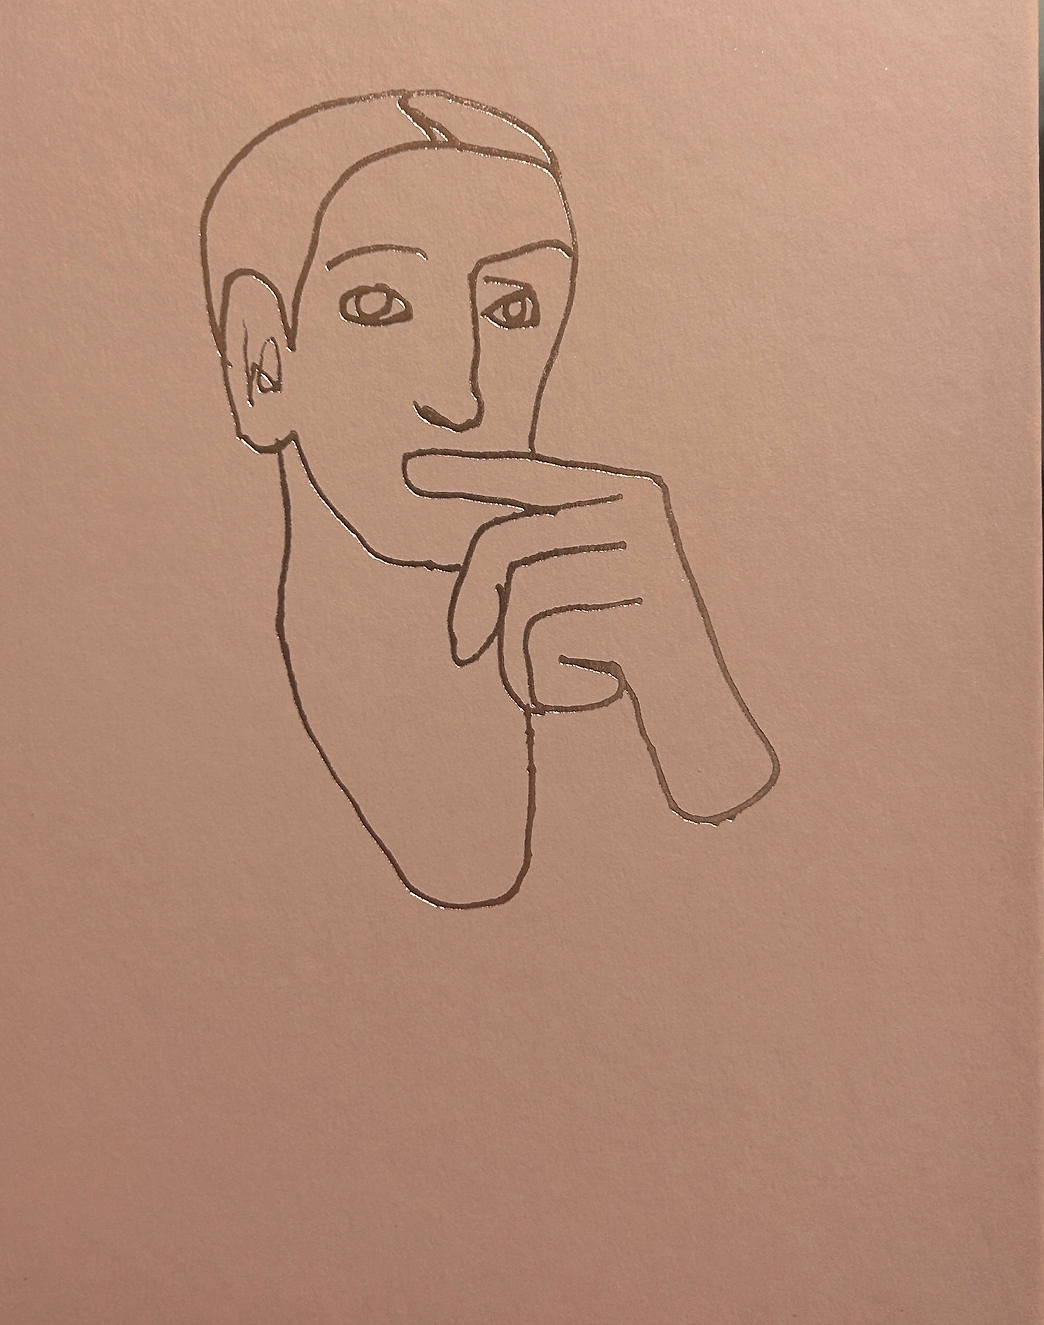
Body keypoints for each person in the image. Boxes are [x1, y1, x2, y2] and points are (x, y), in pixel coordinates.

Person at [201, 91, 777, 908]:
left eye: (512, 308)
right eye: (379, 305)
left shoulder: (613, 662)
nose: (459, 398)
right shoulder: (198, 739)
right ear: (263, 364)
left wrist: (701, 723)